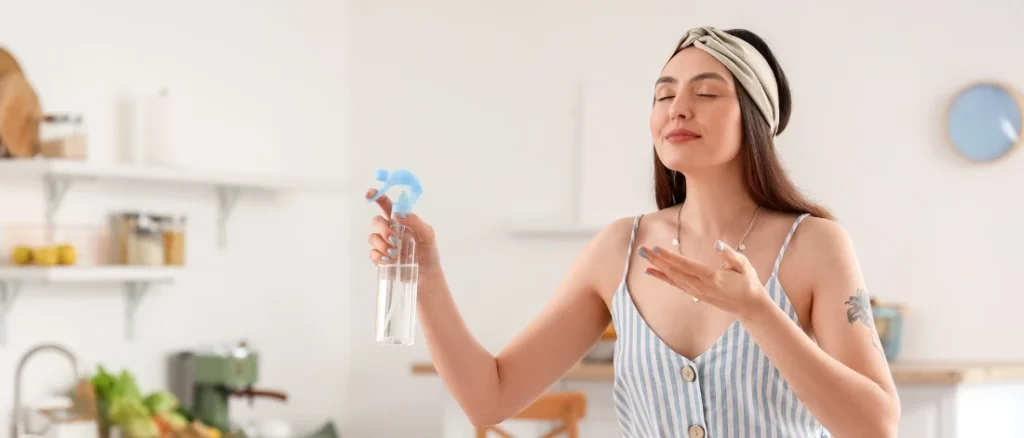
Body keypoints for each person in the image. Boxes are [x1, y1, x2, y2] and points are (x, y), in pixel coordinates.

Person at [365, 26, 900, 438]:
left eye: (707, 93)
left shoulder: (814, 245)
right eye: (664, 95)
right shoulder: (618, 249)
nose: (678, 108)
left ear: (754, 119)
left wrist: (759, 314)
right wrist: (427, 276)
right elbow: (490, 398)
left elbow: (877, 425)